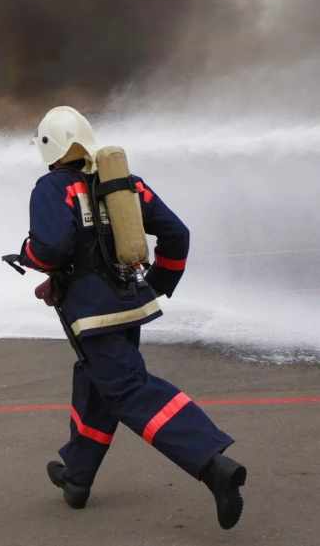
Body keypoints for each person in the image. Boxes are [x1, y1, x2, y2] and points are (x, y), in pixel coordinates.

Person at [15, 106, 246, 529]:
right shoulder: (125, 185)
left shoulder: (51, 187)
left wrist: (28, 256)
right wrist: (158, 282)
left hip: (91, 317)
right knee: (98, 383)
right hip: (129, 306)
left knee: (129, 389)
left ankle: (213, 465)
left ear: (49, 147)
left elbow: (50, 248)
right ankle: (77, 477)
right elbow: (177, 234)